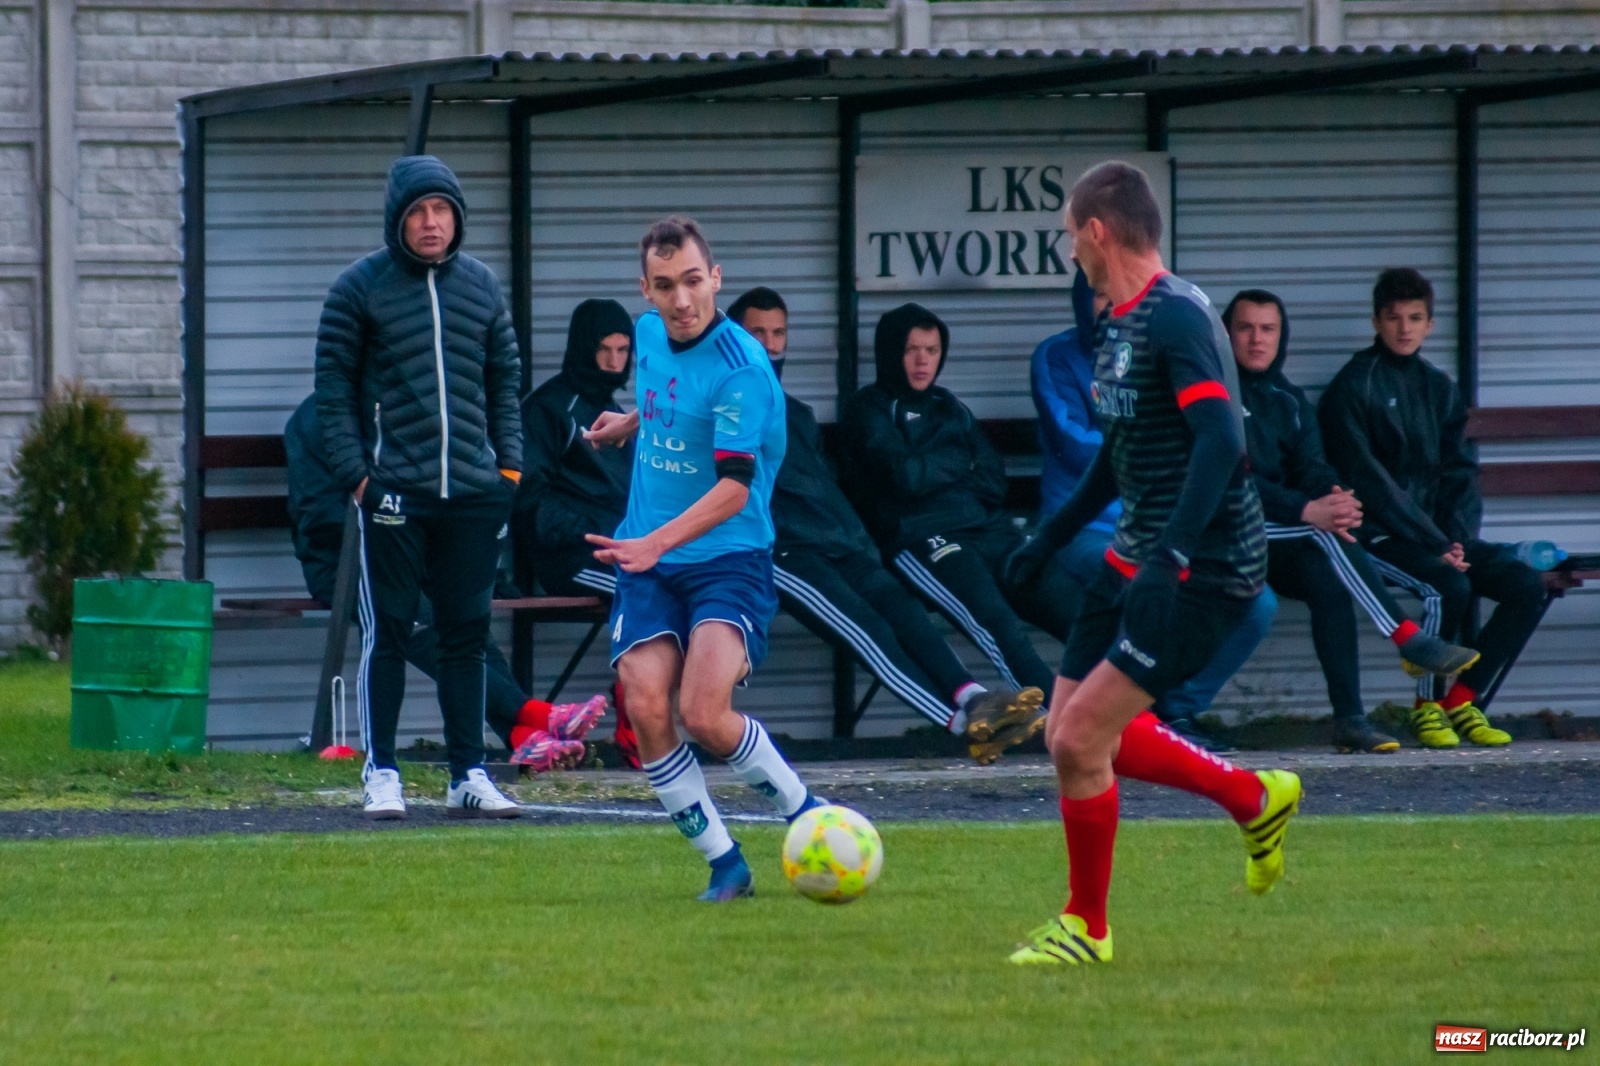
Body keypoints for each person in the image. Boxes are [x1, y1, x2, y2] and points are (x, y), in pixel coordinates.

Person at [1005, 161, 1302, 965]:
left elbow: (1222, 442)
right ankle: (1252, 796)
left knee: (1080, 739)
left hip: (1203, 571)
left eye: (1070, 235)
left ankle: (1087, 928)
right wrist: (1049, 536)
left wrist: (1171, 556)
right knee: (1068, 734)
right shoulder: (1120, 322)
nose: (1070, 251)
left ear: (1097, 232)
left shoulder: (1177, 318)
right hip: (1134, 555)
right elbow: (1120, 454)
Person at [582, 217, 822, 902]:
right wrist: (633, 421)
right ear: (646, 290)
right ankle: (725, 862)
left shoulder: (742, 372)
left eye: (693, 281)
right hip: (651, 557)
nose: (681, 300)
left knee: (705, 714)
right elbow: (669, 397)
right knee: (645, 702)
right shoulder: (648, 334)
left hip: (727, 558)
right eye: (665, 286)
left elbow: (734, 488)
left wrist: (658, 541)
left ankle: (806, 812)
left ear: (715, 277)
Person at [728, 286, 1042, 763]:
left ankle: (973, 695)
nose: (771, 345)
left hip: (843, 544)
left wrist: (856, 540)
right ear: (736, 338)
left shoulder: (796, 413)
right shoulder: (723, 407)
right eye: (758, 334)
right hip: (785, 551)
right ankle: (965, 724)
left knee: (903, 611)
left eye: (779, 333)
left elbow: (824, 490)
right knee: (868, 629)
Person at [315, 154, 526, 820]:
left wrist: (509, 471)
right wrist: (360, 481)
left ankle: (469, 773)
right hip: (393, 495)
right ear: (397, 220)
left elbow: (505, 381)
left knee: (467, 633)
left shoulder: (482, 286)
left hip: (473, 493)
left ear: (457, 218)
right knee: (391, 630)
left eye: (442, 211)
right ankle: (381, 771)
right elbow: (331, 395)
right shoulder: (358, 288)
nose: (431, 223)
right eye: (418, 212)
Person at [286, 394, 604, 773]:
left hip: (413, 556)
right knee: (427, 627)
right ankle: (537, 714)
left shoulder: (401, 405)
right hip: (342, 566)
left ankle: (524, 739)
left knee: (466, 624)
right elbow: (320, 518)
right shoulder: (316, 420)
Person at [1031, 270, 1278, 754]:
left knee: (1257, 603)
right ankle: (1138, 721)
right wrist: (1049, 537)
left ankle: (1176, 711)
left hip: (1159, 530)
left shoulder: (1164, 333)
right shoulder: (1058, 356)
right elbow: (1078, 444)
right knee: (1077, 727)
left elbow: (1216, 439)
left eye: (1111, 293)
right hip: (1092, 532)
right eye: (1097, 296)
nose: (1107, 305)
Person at [1225, 289, 1482, 753]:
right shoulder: (1216, 396)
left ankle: (1349, 721)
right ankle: (1405, 637)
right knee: (1324, 532)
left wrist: (1334, 497)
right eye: (1245, 328)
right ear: (1227, 335)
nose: (1257, 339)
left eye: (1268, 329)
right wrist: (1308, 510)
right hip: (1225, 529)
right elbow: (1229, 477)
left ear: (1282, 337)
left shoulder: (1289, 400)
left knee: (1330, 576)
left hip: (1278, 537)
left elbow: (1312, 465)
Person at [1319, 268, 1548, 749]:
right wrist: (1436, 543)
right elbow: (1371, 485)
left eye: (1415, 318)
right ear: (1376, 322)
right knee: (1448, 584)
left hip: (1441, 538)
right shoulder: (1353, 386)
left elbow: (1460, 473)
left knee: (1526, 586)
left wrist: (1457, 540)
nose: (1404, 328)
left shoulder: (1439, 387)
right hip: (1378, 536)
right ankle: (1426, 709)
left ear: (1430, 324)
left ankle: (1459, 702)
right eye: (1394, 318)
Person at [838, 303, 1080, 711]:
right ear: (891, 352)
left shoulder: (949, 406)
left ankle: (1128, 714)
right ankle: (1060, 716)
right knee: (996, 620)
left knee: (1069, 602)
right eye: (911, 349)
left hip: (987, 529)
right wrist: (958, 462)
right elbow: (905, 477)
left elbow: (993, 479)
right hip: (923, 537)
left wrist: (932, 468)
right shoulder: (870, 409)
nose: (922, 361)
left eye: (932, 350)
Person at [514, 298, 642, 767]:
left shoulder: (616, 412)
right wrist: (591, 535)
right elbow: (530, 501)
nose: (613, 361)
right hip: (568, 557)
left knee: (675, 587)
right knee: (646, 587)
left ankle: (638, 701)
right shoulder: (551, 409)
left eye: (623, 350)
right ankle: (637, 713)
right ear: (583, 349)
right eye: (604, 349)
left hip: (617, 551)